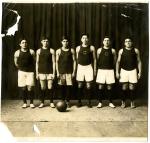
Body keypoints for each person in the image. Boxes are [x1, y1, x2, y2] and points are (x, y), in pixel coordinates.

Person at [116, 38, 142, 108]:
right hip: (124, 70)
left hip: (133, 70)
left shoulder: (136, 50)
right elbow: (118, 62)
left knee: (132, 87)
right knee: (124, 87)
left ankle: (132, 102)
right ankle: (123, 102)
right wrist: (117, 72)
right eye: (126, 41)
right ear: (124, 43)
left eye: (129, 41)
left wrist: (140, 72)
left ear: (132, 43)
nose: (128, 43)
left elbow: (139, 61)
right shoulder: (121, 51)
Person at [76, 34, 96, 108]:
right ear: (81, 39)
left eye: (86, 38)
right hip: (80, 67)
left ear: (88, 39)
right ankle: (79, 101)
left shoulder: (91, 48)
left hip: (88, 67)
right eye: (83, 38)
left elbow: (94, 59)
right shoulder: (78, 48)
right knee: (80, 85)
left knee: (88, 85)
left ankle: (89, 102)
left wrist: (94, 69)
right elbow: (77, 59)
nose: (85, 39)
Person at [14, 38, 35, 108]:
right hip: (21, 72)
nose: (24, 44)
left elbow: (34, 61)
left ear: (27, 43)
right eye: (22, 42)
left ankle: (31, 103)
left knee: (30, 88)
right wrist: (21, 69)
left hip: (30, 72)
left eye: (25, 42)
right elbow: (16, 63)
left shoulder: (31, 52)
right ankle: (25, 103)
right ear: (20, 44)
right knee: (23, 88)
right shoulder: (17, 52)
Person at [56, 36, 76, 107]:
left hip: (69, 71)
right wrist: (57, 72)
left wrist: (74, 71)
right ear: (61, 42)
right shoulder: (58, 51)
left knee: (68, 87)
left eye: (66, 41)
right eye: (64, 41)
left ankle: (67, 101)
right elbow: (56, 62)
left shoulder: (71, 50)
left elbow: (74, 61)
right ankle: (62, 100)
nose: (65, 43)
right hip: (61, 71)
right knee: (61, 87)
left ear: (68, 42)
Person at [96, 37, 116, 108]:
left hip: (110, 70)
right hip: (101, 70)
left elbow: (114, 61)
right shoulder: (99, 50)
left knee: (109, 87)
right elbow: (98, 60)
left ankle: (110, 102)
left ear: (110, 42)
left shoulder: (113, 50)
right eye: (105, 40)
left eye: (108, 40)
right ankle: (100, 102)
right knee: (100, 86)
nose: (106, 42)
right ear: (103, 42)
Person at [36, 36, 55, 108]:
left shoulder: (51, 50)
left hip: (49, 71)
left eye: (47, 41)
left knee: (50, 87)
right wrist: (37, 73)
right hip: (41, 72)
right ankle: (42, 102)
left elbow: (54, 62)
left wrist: (54, 73)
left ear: (48, 42)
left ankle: (51, 102)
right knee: (43, 87)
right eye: (44, 41)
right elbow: (37, 63)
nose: (45, 43)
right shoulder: (38, 51)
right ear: (41, 42)